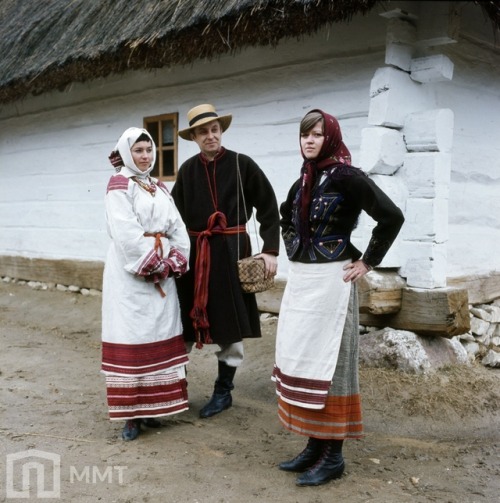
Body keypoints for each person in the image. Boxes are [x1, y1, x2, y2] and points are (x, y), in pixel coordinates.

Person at [273, 109, 404, 486]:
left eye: (316, 134)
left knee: (332, 363)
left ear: (329, 137)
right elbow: (286, 218)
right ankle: (315, 445)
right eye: (304, 135)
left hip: (333, 281)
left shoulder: (347, 176)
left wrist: (366, 261)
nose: (309, 141)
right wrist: (297, 245)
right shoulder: (302, 182)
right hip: (303, 283)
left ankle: (334, 455)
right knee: (307, 361)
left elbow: (390, 216)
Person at [171, 104, 280, 419]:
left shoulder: (241, 164)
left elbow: (269, 207)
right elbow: (174, 217)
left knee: (229, 324)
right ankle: (175, 390)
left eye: (214, 129)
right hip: (195, 256)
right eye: (203, 131)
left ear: (221, 131)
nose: (210, 136)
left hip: (232, 253)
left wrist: (270, 249)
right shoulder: (188, 171)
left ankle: (223, 392)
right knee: (184, 323)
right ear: (193, 136)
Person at [102, 127, 191, 441]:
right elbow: (124, 232)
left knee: (159, 332)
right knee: (133, 335)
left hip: (162, 271)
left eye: (149, 150)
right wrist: (150, 264)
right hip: (131, 275)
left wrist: (174, 259)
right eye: (138, 150)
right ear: (127, 153)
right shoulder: (119, 186)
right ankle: (132, 415)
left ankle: (154, 408)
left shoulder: (159, 187)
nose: (145, 156)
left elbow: (177, 226)